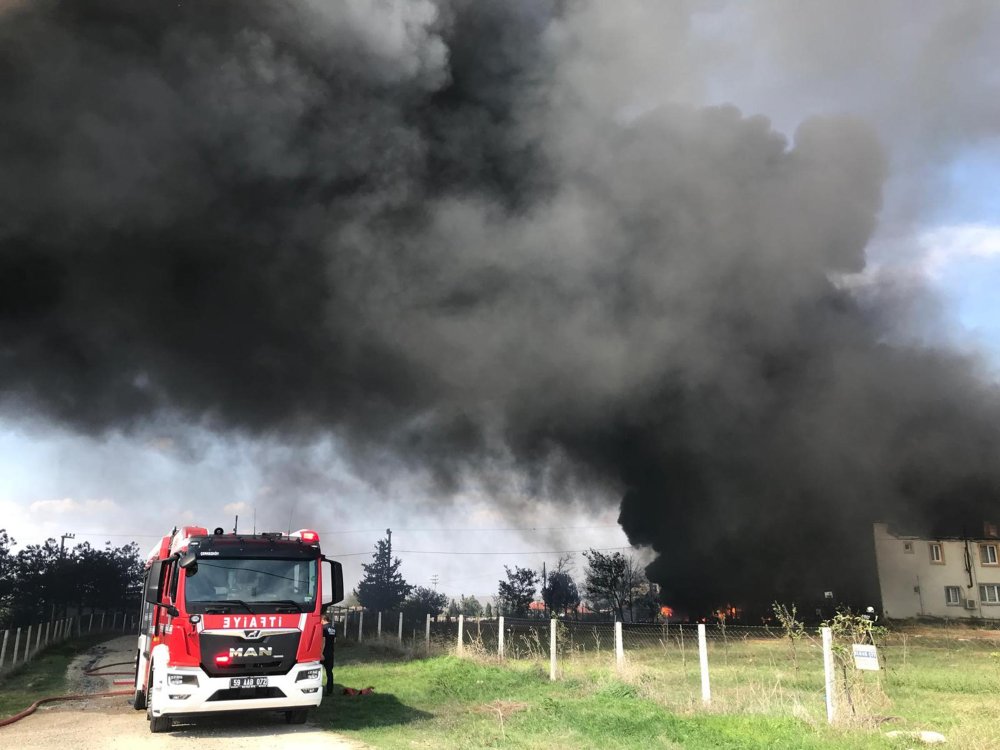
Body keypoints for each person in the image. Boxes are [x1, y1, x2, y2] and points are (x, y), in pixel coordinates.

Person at [321, 611, 336, 696]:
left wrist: (321, 653)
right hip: (331, 652)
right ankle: (330, 691)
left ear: (323, 620)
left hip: (323, 653)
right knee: (329, 672)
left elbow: (323, 641)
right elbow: (334, 641)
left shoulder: (323, 628)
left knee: (318, 671)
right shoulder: (333, 628)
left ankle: (317, 689)